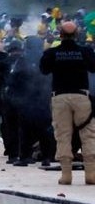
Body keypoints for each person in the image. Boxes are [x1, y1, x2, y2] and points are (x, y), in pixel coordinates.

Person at [39, 20, 95, 185]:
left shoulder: (52, 53)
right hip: (81, 96)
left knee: (63, 135)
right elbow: (93, 68)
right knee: (89, 134)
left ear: (60, 35)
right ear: (77, 35)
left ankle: (66, 175)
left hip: (60, 97)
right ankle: (91, 174)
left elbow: (43, 70)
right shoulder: (85, 51)